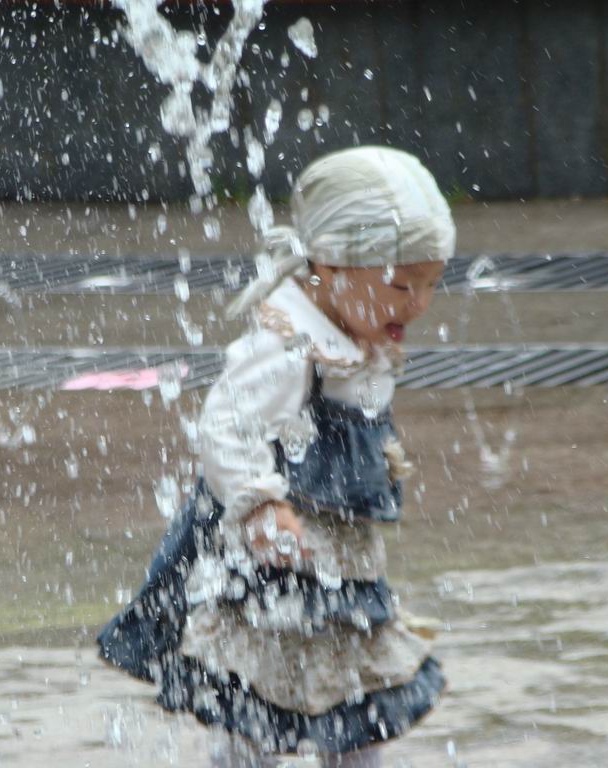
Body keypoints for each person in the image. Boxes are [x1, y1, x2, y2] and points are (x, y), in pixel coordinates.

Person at [98, 145, 455, 767]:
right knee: (256, 693)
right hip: (272, 558)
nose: (417, 304)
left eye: (432, 284)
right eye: (401, 284)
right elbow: (225, 426)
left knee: (354, 695)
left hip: (338, 567)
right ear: (330, 265)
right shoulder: (289, 344)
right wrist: (260, 504)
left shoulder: (353, 336)